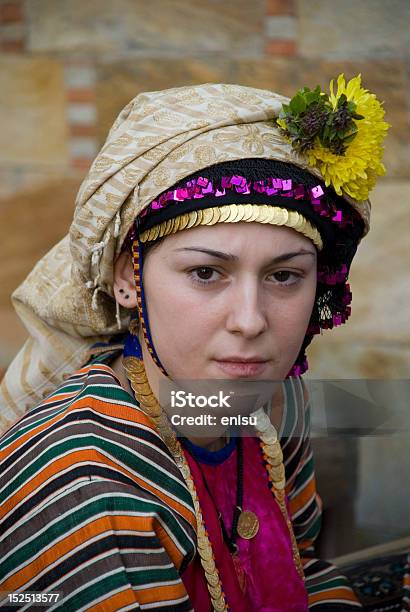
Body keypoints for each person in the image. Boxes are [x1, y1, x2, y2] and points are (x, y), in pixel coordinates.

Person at [0, 78, 395, 610]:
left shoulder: (270, 406)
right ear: (127, 277)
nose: (251, 321)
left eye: (284, 276)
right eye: (206, 272)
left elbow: (302, 566)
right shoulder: (83, 483)